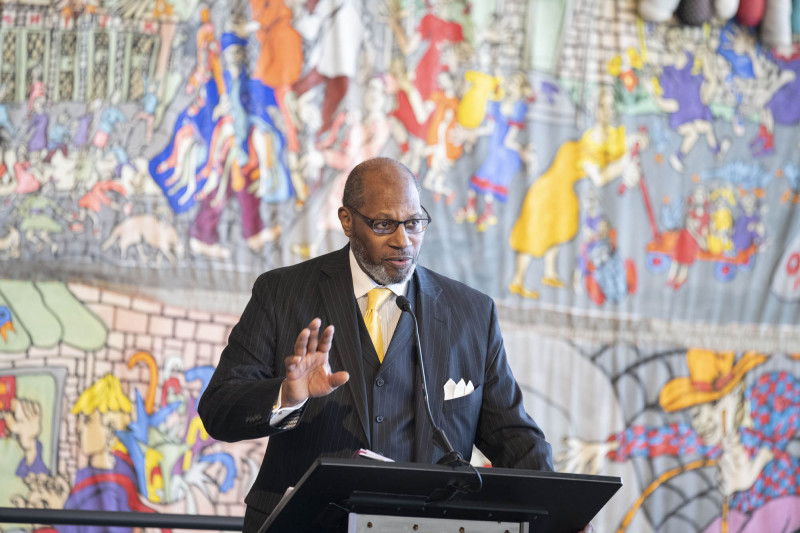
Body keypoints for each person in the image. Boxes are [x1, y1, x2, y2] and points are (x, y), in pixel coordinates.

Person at [198, 157, 559, 532]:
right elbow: (219, 410)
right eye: (384, 225)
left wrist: (560, 514)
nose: (403, 241)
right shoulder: (281, 293)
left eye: (414, 223)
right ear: (347, 221)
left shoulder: (471, 313)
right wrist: (287, 397)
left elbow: (513, 437)